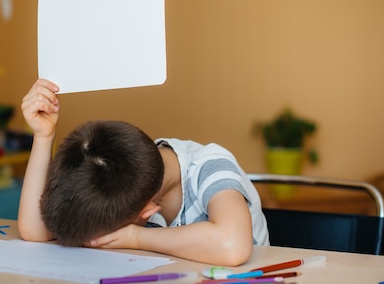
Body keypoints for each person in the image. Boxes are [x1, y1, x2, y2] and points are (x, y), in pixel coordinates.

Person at [18, 78, 269, 266]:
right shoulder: (122, 174)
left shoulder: (210, 165)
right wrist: (43, 136)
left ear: (147, 211)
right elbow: (35, 230)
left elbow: (232, 244)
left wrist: (136, 238)